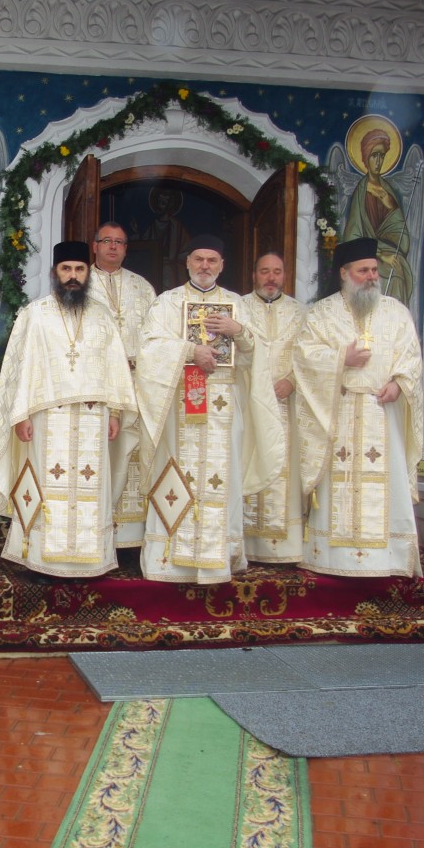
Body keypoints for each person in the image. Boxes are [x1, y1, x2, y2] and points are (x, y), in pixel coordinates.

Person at [132, 235, 283, 584]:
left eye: (212, 260)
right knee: (175, 476)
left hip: (223, 407)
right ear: (187, 263)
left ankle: (218, 559)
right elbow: (149, 347)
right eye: (198, 259)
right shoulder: (168, 303)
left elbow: (257, 355)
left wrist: (239, 331)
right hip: (179, 407)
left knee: (222, 478)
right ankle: (169, 561)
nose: (204, 266)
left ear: (222, 265)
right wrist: (189, 351)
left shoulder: (236, 304)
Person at [0, 241, 138, 577]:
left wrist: (115, 412)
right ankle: (43, 561)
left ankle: (91, 562)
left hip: (93, 417)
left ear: (87, 273)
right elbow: (21, 368)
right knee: (46, 485)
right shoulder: (35, 314)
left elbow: (115, 367)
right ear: (55, 272)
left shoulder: (102, 316)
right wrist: (21, 415)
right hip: (47, 418)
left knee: (91, 485)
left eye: (79, 269)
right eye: (66, 269)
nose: (73, 276)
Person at [293, 237, 424, 578]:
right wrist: (342, 358)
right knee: (336, 485)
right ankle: (333, 559)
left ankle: (386, 560)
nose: (371, 277)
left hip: (382, 412)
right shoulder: (322, 313)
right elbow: (304, 357)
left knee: (385, 484)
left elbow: (411, 357)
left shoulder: (396, 312)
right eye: (363, 270)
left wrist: (399, 384)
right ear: (344, 273)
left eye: (374, 270)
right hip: (338, 410)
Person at [86, 220, 158, 547]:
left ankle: (130, 537)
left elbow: (157, 336)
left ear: (126, 249)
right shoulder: (81, 284)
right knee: (101, 450)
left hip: (138, 383)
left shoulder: (142, 287)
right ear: (95, 246)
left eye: (119, 242)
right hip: (98, 383)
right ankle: (96, 530)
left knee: (135, 450)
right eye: (107, 241)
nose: (113, 247)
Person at [241, 252, 306, 563]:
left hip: (285, 404)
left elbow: (310, 356)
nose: (271, 278)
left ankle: (284, 549)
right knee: (247, 458)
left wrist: (292, 380)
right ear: (254, 275)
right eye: (264, 271)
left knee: (284, 466)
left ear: (285, 275)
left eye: (277, 271)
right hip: (248, 403)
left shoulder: (300, 313)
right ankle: (244, 544)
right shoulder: (238, 307)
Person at [342, 128, 413, 306]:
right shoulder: (361, 191)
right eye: (374, 155)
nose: (378, 161)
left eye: (382, 156)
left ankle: (394, 319)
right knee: (386, 273)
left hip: (390, 250)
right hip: (367, 255)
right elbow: (353, 235)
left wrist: (391, 206)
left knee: (397, 273)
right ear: (366, 158)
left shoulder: (388, 190)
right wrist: (380, 255)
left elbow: (399, 232)